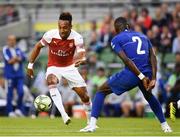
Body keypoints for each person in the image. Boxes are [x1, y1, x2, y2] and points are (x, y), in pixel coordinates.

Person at [80, 17, 172, 133]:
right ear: (128, 26)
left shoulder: (116, 39)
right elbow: (153, 57)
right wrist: (153, 77)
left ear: (116, 29)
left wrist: (141, 77)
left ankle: (92, 125)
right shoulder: (143, 36)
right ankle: (165, 126)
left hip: (133, 73)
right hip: (148, 72)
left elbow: (127, 60)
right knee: (149, 96)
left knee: (101, 91)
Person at [27, 12, 91, 125]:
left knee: (84, 96)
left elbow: (81, 52)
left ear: (71, 26)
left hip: (69, 67)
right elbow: (37, 46)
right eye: (60, 27)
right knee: (51, 81)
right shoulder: (50, 35)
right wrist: (30, 65)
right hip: (54, 66)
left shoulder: (77, 37)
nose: (62, 30)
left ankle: (90, 122)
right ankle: (64, 114)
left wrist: (82, 59)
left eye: (65, 28)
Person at [2, 35, 26, 117]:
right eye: (10, 40)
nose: (12, 42)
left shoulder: (18, 49)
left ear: (15, 41)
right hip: (10, 75)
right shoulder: (5, 49)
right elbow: (9, 61)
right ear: (8, 41)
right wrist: (17, 58)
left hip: (19, 75)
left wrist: (15, 59)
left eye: (13, 40)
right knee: (9, 94)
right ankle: (10, 111)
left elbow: (24, 58)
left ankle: (19, 109)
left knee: (21, 92)